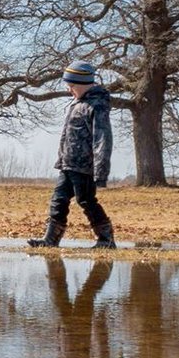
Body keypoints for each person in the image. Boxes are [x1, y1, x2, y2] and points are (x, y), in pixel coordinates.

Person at [29, 59, 116, 249]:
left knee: (86, 200)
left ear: (84, 84)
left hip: (85, 166)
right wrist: (61, 160)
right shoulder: (76, 103)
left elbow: (102, 139)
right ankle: (50, 239)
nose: (69, 90)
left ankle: (106, 238)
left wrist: (100, 171)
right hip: (68, 164)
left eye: (72, 86)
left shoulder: (97, 106)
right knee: (58, 200)